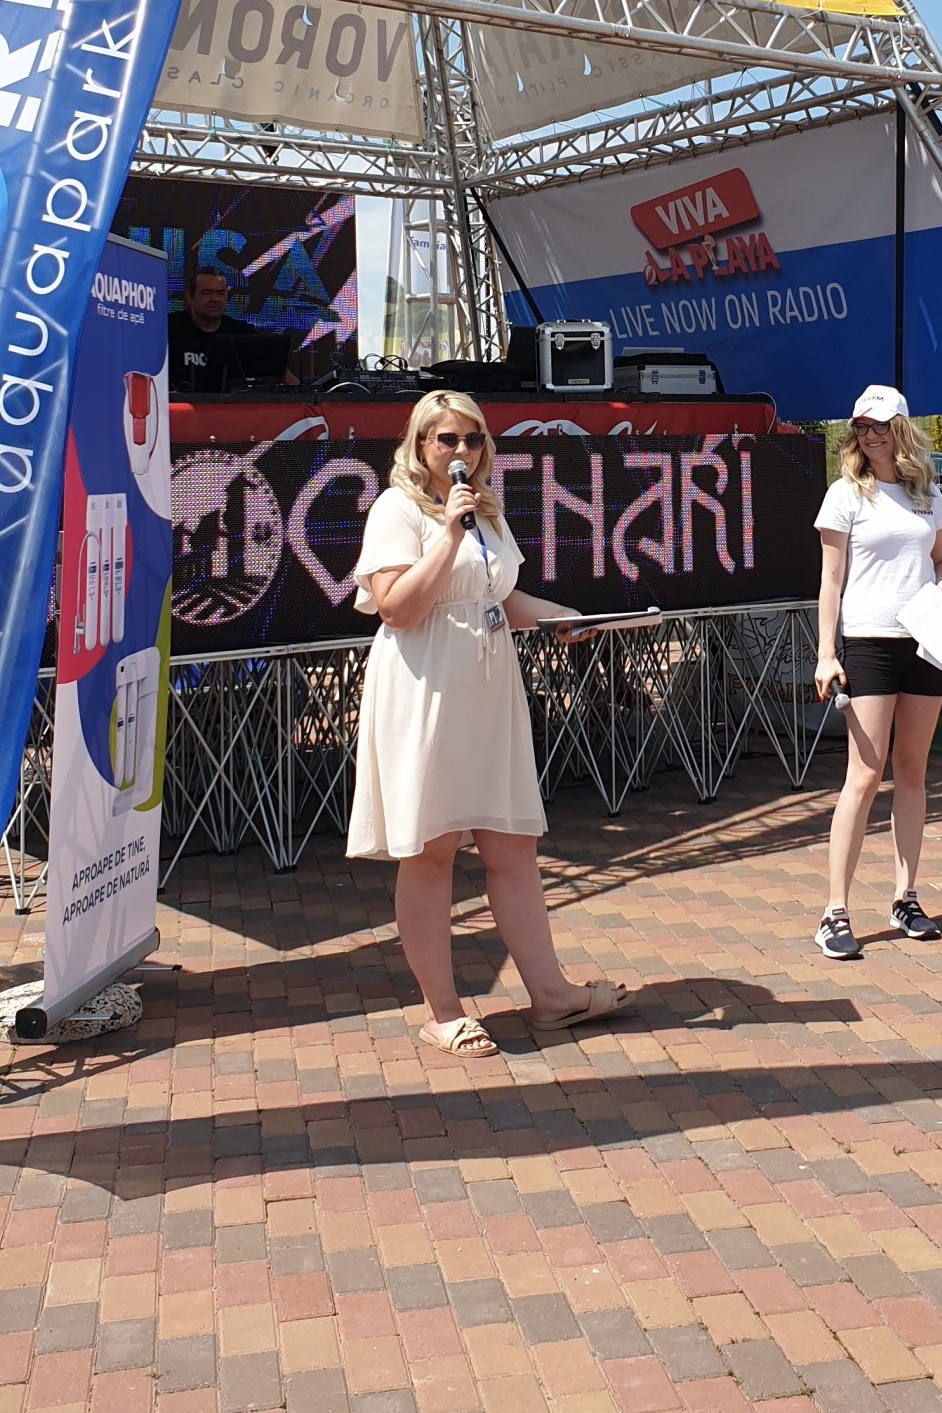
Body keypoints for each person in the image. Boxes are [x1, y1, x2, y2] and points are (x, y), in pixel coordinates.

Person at [347, 389, 628, 1057]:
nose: (462, 451)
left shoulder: (487, 510)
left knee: (511, 845)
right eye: (447, 439)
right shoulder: (398, 508)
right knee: (432, 848)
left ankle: (551, 996)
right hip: (426, 686)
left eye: (473, 438)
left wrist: (561, 617)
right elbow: (396, 608)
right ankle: (442, 1012)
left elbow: (497, 596)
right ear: (420, 444)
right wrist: (447, 533)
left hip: (487, 686)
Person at [812, 385, 942, 961]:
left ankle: (906, 897)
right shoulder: (845, 493)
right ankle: (834, 911)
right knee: (865, 774)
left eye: (879, 425)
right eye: (861, 426)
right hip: (869, 641)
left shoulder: (928, 493)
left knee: (913, 770)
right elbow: (830, 580)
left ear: (900, 428)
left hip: (926, 640)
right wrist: (827, 653)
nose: (869, 435)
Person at [168, 257, 297, 390]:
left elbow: (279, 373)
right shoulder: (169, 328)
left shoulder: (243, 332)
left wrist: (302, 394)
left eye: (220, 293)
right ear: (190, 297)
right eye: (207, 293)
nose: (215, 299)